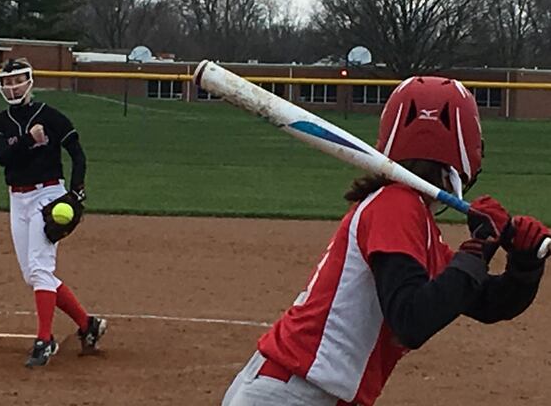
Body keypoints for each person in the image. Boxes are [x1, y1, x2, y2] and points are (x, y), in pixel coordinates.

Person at [222, 76, 549, 405]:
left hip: (302, 392)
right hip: (291, 393)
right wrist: (477, 251)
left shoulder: (411, 218)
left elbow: (488, 302)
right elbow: (411, 320)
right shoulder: (396, 205)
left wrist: (524, 264)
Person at [0, 57, 107, 368]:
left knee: (40, 267)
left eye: (18, 80)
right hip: (18, 198)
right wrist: (29, 139)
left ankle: (45, 339)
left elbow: (78, 155)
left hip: (49, 193)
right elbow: (3, 157)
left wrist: (77, 190)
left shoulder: (51, 116)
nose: (12, 87)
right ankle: (87, 324)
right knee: (33, 274)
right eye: (7, 82)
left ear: (30, 81)